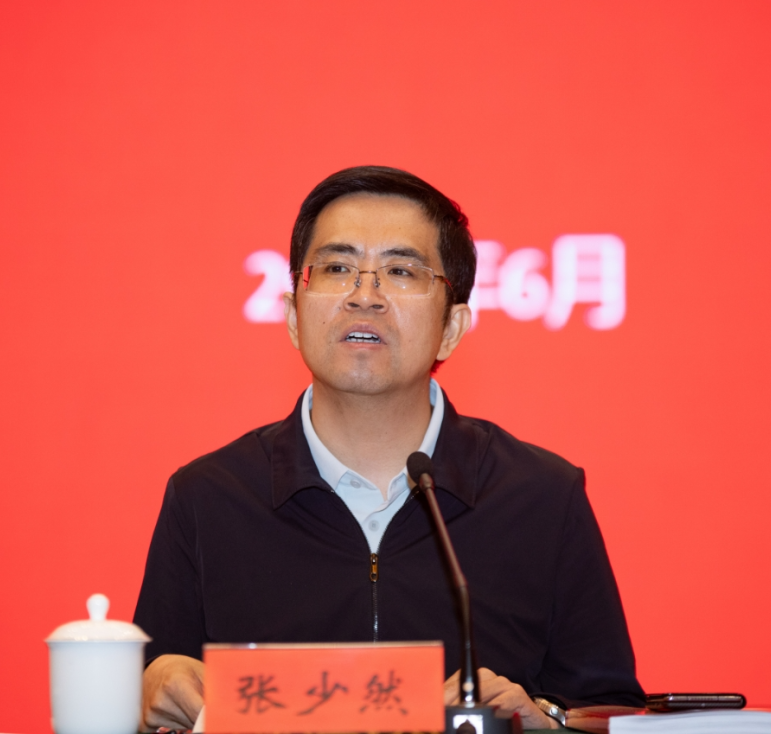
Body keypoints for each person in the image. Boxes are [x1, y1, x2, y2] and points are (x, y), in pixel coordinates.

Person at [133, 166, 645, 731]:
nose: (364, 296)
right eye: (337, 268)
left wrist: (544, 720)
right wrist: (144, 697)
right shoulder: (208, 498)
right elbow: (151, 700)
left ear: (452, 327)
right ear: (293, 315)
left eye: (401, 271)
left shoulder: (542, 497)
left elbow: (614, 712)